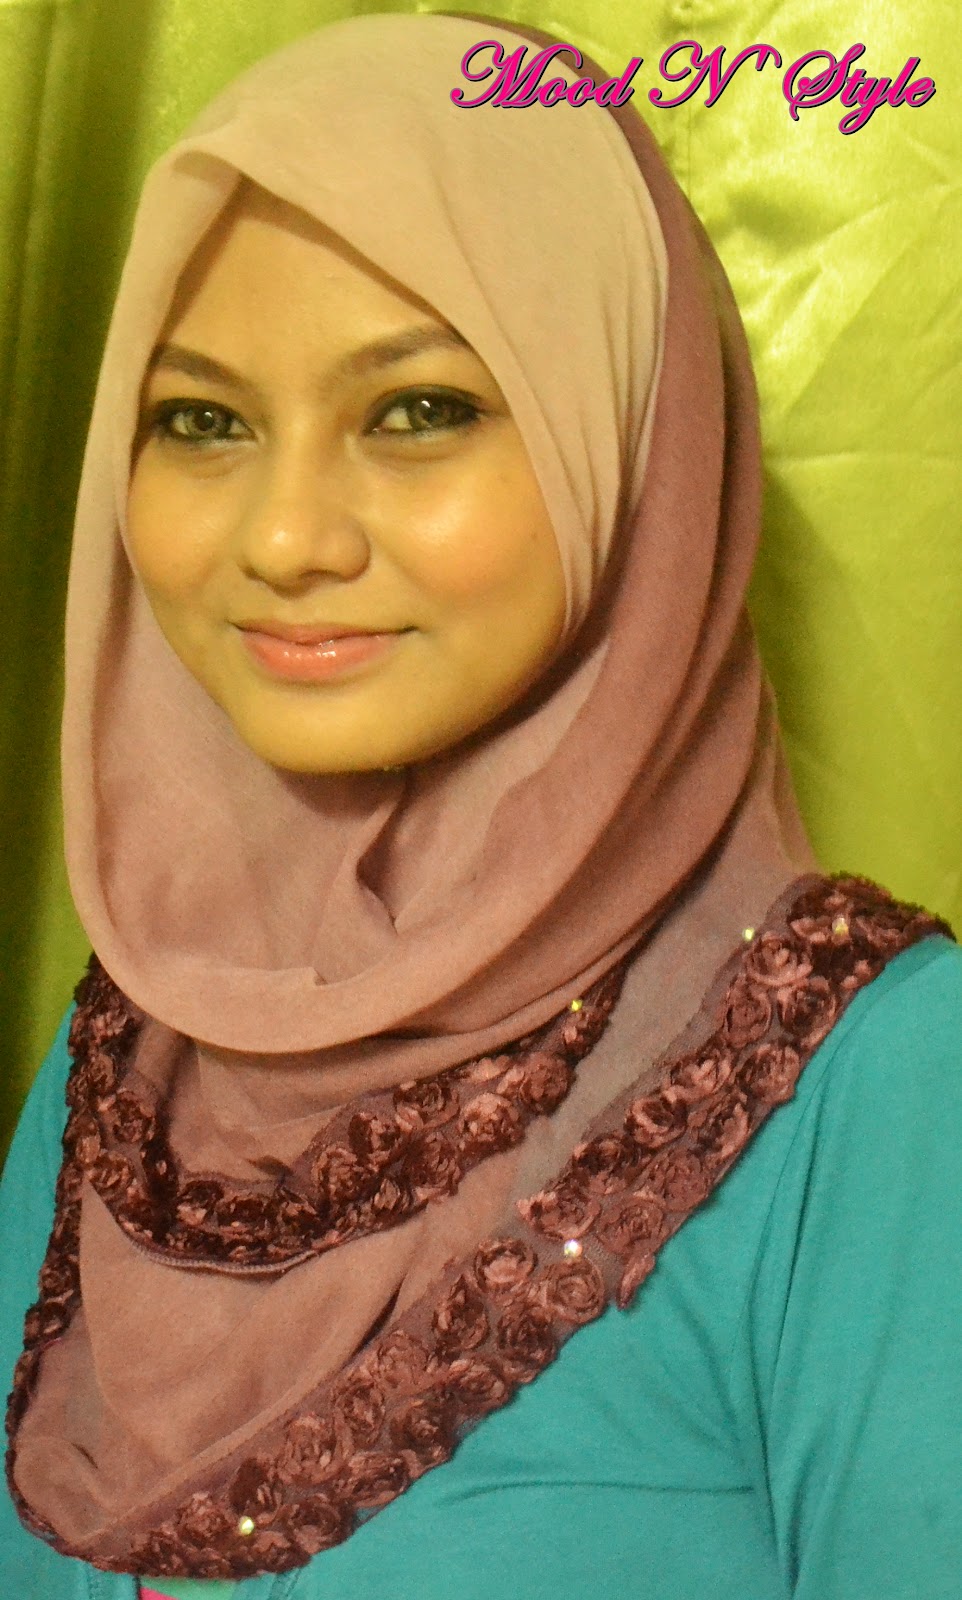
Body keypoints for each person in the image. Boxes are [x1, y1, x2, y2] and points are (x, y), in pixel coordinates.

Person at [1, 11, 959, 1600]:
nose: (286, 538)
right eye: (203, 420)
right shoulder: (145, 1038)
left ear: (629, 437)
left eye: (418, 410)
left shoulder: (881, 1088)